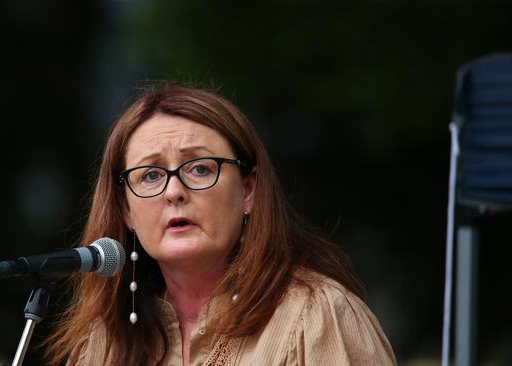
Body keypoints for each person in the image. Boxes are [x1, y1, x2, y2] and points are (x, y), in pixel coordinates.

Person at [45, 83, 396, 365]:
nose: (174, 191)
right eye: (150, 175)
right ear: (126, 211)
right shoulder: (104, 342)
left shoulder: (317, 317)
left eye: (200, 168)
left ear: (248, 190)